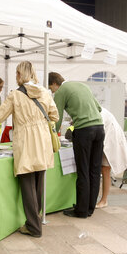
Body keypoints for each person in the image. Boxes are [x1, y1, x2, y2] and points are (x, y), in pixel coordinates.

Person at [0, 61, 58, 238]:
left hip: (26, 141)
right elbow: (54, 115)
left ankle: (33, 226)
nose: (16, 77)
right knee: (39, 182)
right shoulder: (45, 93)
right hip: (43, 140)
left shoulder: (15, 95)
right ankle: (37, 219)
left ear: (20, 74)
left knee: (27, 185)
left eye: (17, 74)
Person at [48, 72, 105, 218]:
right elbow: (98, 108)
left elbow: (57, 118)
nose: (52, 92)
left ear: (54, 83)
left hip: (84, 132)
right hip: (99, 128)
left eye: (51, 88)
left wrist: (51, 135)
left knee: (83, 170)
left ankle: (81, 210)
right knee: (94, 170)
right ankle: (90, 208)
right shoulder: (82, 85)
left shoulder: (61, 91)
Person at [96, 107, 127, 208]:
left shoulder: (98, 113)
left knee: (105, 169)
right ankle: (99, 199)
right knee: (102, 169)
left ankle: (104, 200)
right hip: (105, 136)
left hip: (110, 137)